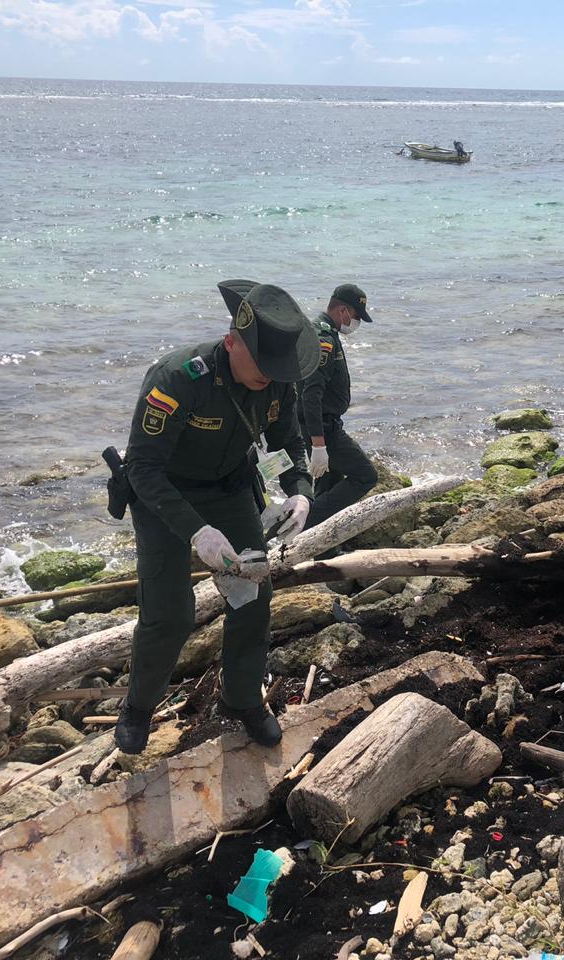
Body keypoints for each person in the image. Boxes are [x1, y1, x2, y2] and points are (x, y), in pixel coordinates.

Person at [114, 280, 320, 755]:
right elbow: (141, 468)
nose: (269, 377)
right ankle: (139, 707)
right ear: (232, 342)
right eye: (262, 366)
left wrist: (299, 492)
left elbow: (287, 442)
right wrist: (196, 531)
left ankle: (242, 698)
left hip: (229, 490)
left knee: (251, 594)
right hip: (164, 499)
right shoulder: (178, 379)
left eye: (277, 370)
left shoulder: (278, 381)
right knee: (169, 613)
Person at [300, 283, 379, 529]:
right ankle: (303, 524)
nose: (355, 324)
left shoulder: (325, 332)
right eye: (356, 317)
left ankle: (323, 546)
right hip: (323, 427)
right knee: (366, 476)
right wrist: (318, 444)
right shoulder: (323, 338)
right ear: (343, 311)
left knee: (329, 483)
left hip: (324, 423)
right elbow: (310, 394)